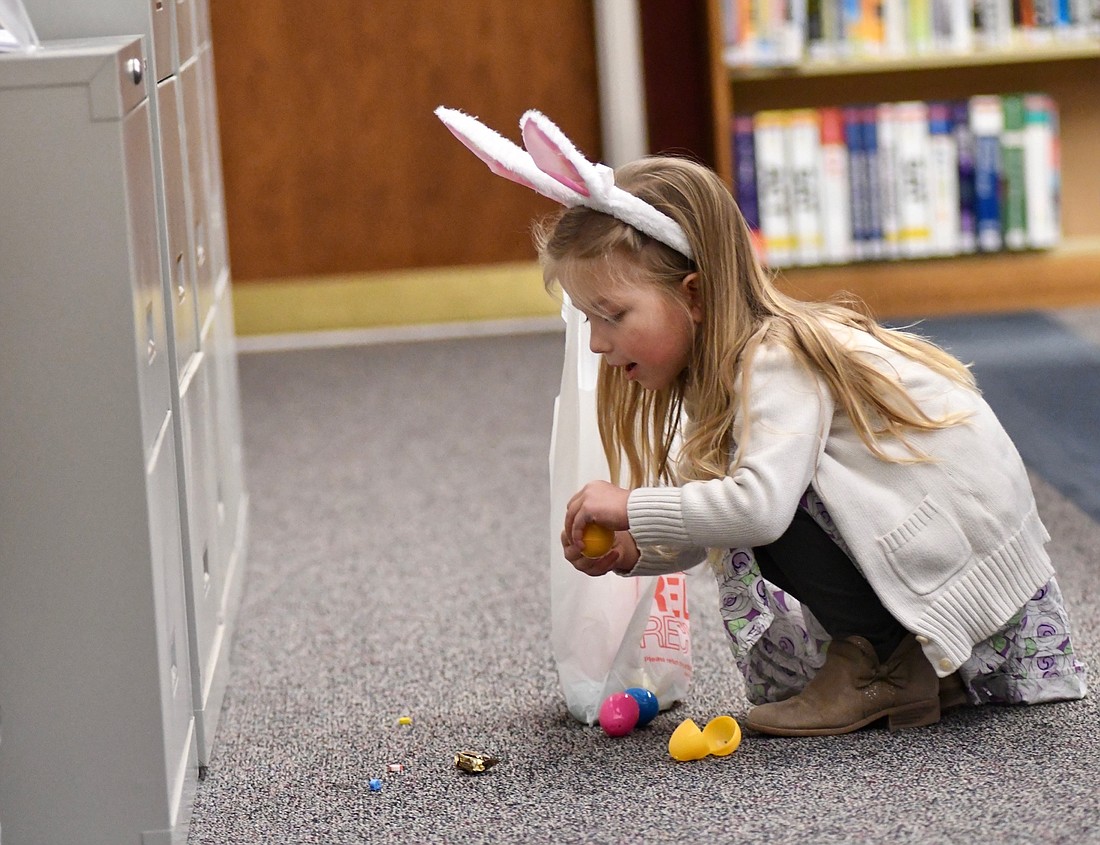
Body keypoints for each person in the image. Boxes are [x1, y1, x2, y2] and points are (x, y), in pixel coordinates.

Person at [436, 107, 1087, 737]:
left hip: (959, 550)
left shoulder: (773, 360)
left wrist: (634, 505)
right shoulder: (731, 363)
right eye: (589, 319)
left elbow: (759, 512)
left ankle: (885, 660)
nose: (601, 342)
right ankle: (907, 658)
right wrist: (642, 551)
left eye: (613, 314)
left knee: (756, 503)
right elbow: (725, 512)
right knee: (739, 494)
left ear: (692, 294)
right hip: (939, 544)